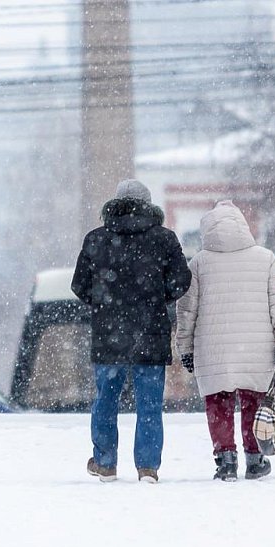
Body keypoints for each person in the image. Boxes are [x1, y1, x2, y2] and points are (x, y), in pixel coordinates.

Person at [71, 179, 191, 484]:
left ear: (115, 204)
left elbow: (79, 285)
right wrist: (155, 299)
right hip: (150, 332)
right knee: (149, 403)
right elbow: (181, 281)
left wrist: (105, 304)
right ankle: (148, 467)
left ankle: (105, 463)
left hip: (109, 333)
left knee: (105, 400)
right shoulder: (164, 239)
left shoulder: (96, 239)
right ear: (148, 205)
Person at [176, 200, 275, 481]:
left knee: (218, 403)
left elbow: (187, 310)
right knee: (254, 401)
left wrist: (186, 348)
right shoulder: (265, 258)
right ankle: (255, 460)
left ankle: (226, 460)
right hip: (257, 348)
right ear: (242, 226)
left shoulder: (198, 264)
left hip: (213, 349)